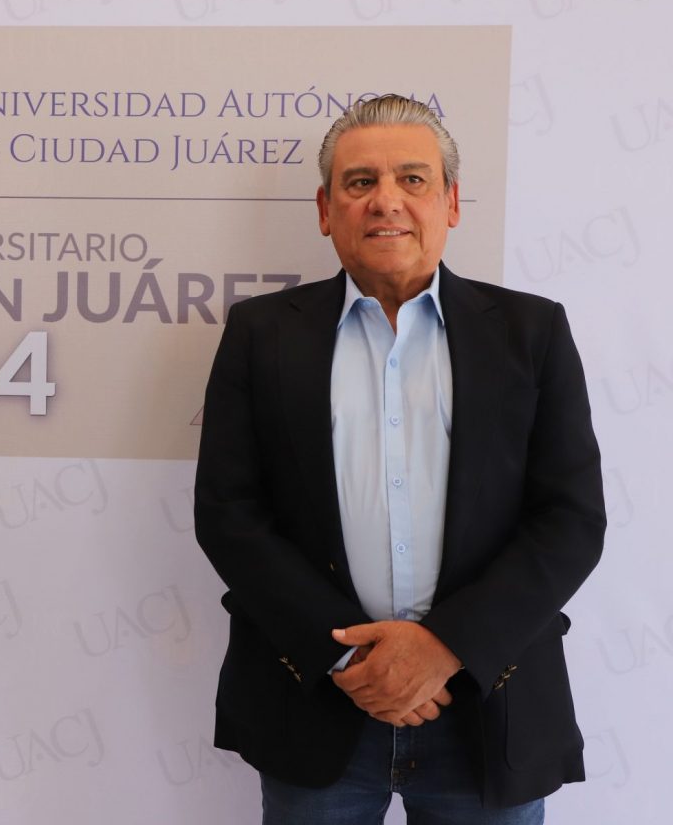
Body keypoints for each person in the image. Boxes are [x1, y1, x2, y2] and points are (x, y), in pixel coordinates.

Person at [194, 94, 605, 823]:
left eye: (413, 179)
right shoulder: (261, 334)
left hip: (489, 703)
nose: (386, 200)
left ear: (452, 202)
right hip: (317, 704)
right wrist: (355, 659)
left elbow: (570, 520)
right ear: (326, 210)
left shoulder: (531, 332)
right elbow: (230, 515)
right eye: (360, 182)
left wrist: (445, 647)